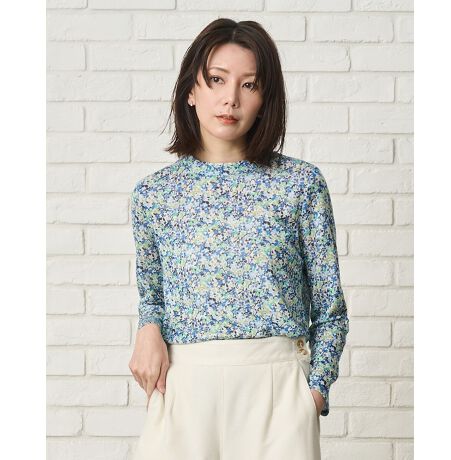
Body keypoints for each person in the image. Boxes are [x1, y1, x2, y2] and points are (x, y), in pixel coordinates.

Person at [129, 18, 349, 460]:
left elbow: (330, 309)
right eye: (217, 79)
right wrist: (148, 327)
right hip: (186, 390)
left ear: (265, 100)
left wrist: (313, 394)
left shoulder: (300, 185)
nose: (231, 98)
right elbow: (153, 299)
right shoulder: (154, 195)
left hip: (277, 392)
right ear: (191, 91)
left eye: (249, 85)